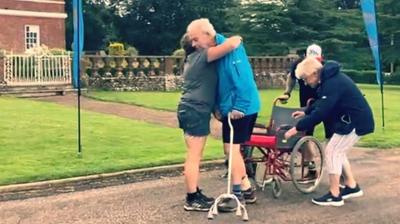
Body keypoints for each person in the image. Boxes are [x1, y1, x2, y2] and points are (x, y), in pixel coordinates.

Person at [186, 18, 261, 212]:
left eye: (195, 39)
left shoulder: (231, 49)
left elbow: (243, 79)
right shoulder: (217, 50)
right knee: (232, 150)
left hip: (241, 107)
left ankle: (237, 196)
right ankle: (247, 191)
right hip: (230, 108)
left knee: (232, 150)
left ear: (207, 35)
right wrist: (218, 107)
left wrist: (241, 107)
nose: (193, 44)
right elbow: (218, 83)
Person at [284, 57, 374, 206]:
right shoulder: (329, 79)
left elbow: (322, 113)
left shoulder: (332, 83)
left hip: (355, 122)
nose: (305, 83)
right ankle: (351, 186)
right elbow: (321, 102)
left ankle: (334, 194)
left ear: (314, 73)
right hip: (354, 120)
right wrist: (307, 112)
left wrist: (297, 128)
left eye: (306, 79)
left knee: (332, 151)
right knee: (337, 150)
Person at [177, 33, 242, 212]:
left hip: (192, 109)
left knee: (194, 154)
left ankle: (194, 193)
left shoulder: (193, 58)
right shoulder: (201, 55)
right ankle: (191, 198)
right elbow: (230, 45)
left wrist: (215, 110)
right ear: (195, 43)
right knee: (194, 155)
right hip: (195, 110)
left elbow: (205, 87)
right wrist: (237, 38)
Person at [278, 44, 327, 183]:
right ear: (305, 57)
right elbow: (291, 77)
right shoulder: (298, 65)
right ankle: (311, 168)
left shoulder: (323, 67)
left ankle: (327, 169)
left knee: (328, 138)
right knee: (304, 134)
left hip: (321, 103)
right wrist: (287, 92)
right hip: (305, 105)